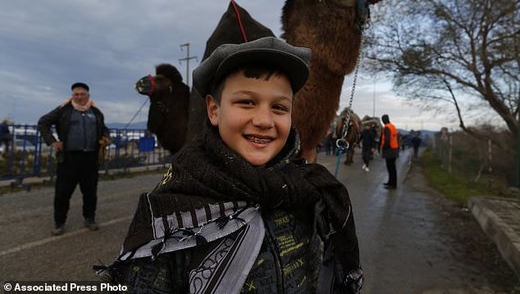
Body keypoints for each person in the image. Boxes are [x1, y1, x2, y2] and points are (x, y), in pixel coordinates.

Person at [101, 37, 363, 293]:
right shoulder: (168, 211)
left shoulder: (310, 192)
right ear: (214, 110)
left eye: (279, 107)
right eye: (247, 102)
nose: (264, 120)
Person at [38, 82, 109, 236]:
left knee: (90, 192)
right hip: (69, 159)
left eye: (82, 94)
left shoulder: (96, 112)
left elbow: (104, 129)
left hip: (90, 159)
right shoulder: (63, 110)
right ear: (72, 96)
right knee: (63, 193)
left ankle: (90, 218)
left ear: (88, 95)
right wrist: (53, 141)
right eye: (76, 94)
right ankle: (59, 223)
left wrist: (106, 137)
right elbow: (43, 122)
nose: (79, 97)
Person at [381, 114, 399, 189]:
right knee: (392, 168)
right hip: (394, 149)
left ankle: (392, 184)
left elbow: (387, 139)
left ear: (384, 120)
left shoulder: (387, 128)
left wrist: (384, 148)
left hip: (389, 150)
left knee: (390, 168)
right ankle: (391, 182)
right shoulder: (393, 126)